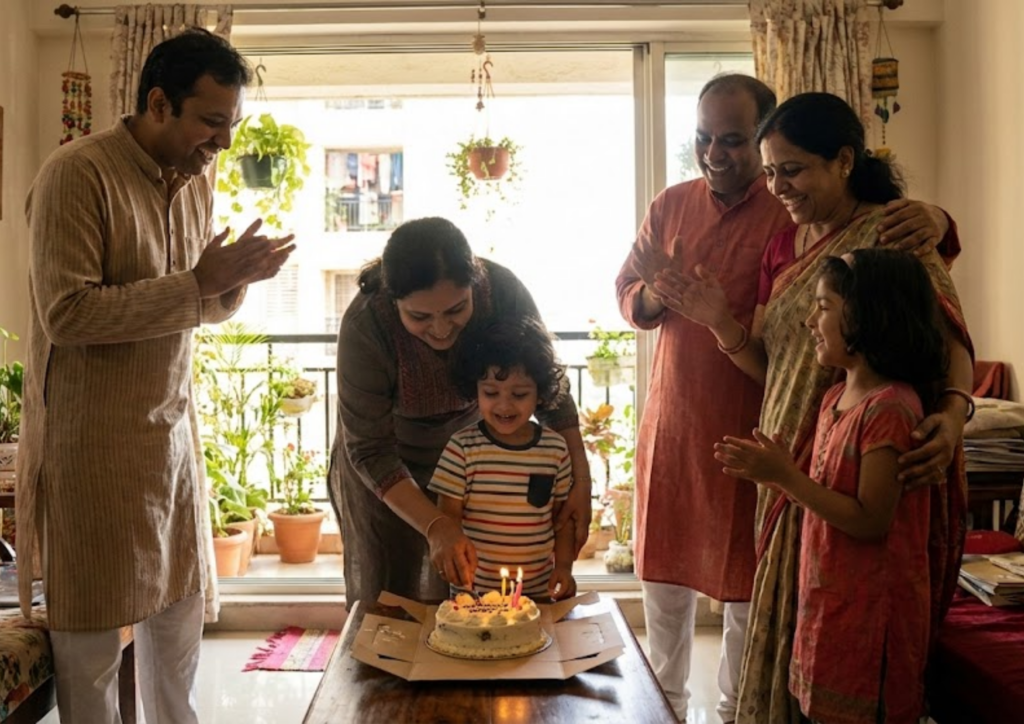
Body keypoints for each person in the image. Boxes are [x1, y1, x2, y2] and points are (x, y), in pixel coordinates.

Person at [616, 75, 954, 724]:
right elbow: (632, 294)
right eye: (703, 138)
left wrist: (956, 406)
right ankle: (660, 712)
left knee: (755, 603)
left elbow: (924, 296)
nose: (715, 153)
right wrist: (663, 294)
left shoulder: (798, 211)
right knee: (663, 594)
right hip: (678, 428)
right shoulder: (671, 205)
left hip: (776, 436)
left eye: (735, 140)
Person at [16, 29, 295, 723]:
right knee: (91, 657)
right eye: (211, 122)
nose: (223, 143)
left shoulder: (197, 180)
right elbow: (68, 313)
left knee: (177, 635)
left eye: (232, 125)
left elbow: (197, 306)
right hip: (93, 451)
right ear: (159, 103)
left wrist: (234, 283)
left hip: (170, 442)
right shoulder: (77, 173)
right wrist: (200, 282)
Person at [714, 248, 951, 724]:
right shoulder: (834, 397)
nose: (808, 321)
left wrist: (784, 476)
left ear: (869, 314)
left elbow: (870, 519)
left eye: (823, 307)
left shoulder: (891, 409)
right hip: (829, 606)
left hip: (872, 620)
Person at [328, 216, 591, 608]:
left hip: (468, 453)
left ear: (475, 283)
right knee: (385, 602)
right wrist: (435, 524)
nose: (440, 329)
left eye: (455, 310)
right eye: (420, 317)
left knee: (459, 596)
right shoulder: (366, 324)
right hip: (384, 467)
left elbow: (547, 385)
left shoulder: (501, 291)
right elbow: (370, 449)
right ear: (393, 298)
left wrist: (581, 481)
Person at [428, 317, 576, 600]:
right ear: (476, 392)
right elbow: (449, 520)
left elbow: (562, 520)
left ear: (540, 394)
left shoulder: (555, 449)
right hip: (473, 596)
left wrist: (565, 568)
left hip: (536, 594)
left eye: (519, 394)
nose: (504, 405)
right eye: (491, 393)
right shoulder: (462, 448)